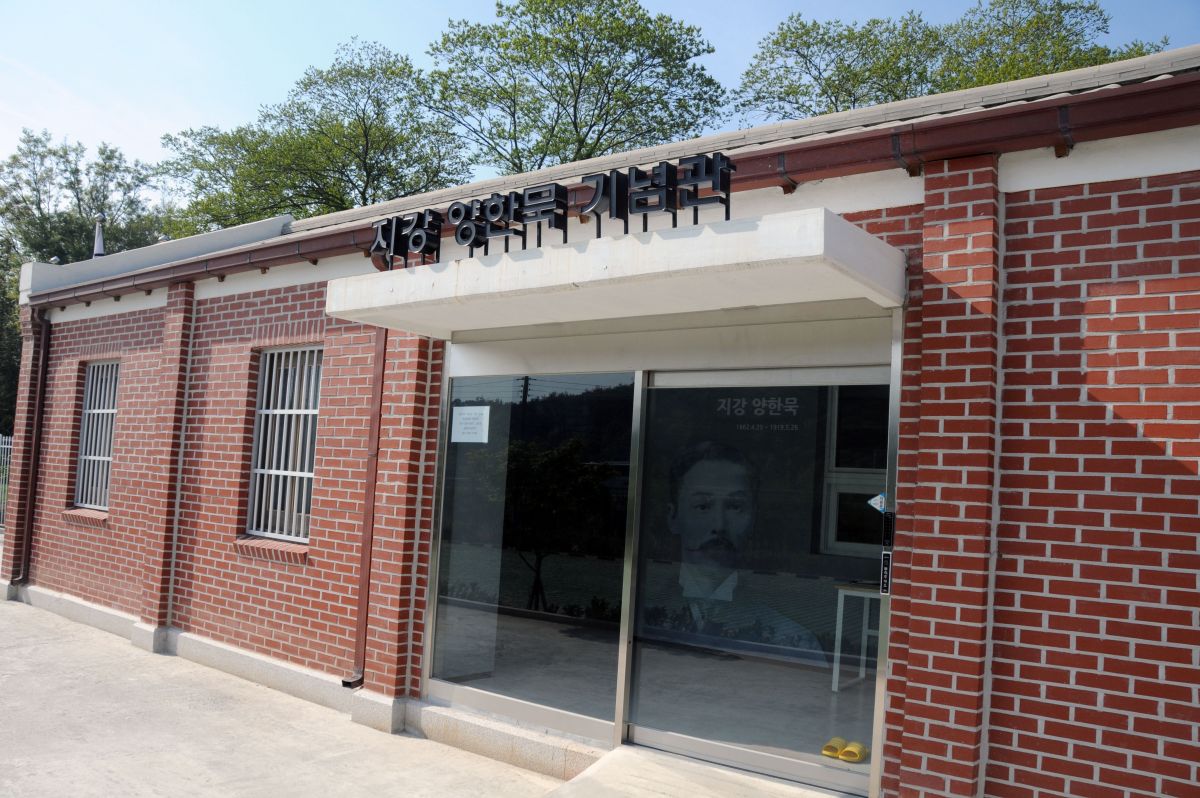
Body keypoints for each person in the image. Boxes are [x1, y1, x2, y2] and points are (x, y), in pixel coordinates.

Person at [642, 441, 827, 664]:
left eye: (735, 506)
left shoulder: (791, 639)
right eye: (702, 506)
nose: (719, 525)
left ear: (753, 517)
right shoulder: (638, 619)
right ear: (673, 517)